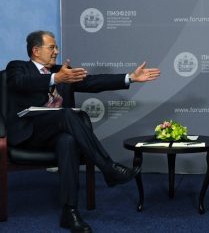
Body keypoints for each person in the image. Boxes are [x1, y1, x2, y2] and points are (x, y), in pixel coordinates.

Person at [6, 30, 160, 232]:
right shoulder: (18, 68)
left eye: (56, 47)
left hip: (57, 133)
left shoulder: (64, 72)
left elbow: (93, 82)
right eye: (51, 47)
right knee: (69, 114)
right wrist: (55, 79)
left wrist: (130, 77)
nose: (56, 51)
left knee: (68, 141)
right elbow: (20, 83)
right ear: (36, 50)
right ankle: (108, 168)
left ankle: (69, 212)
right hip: (30, 133)